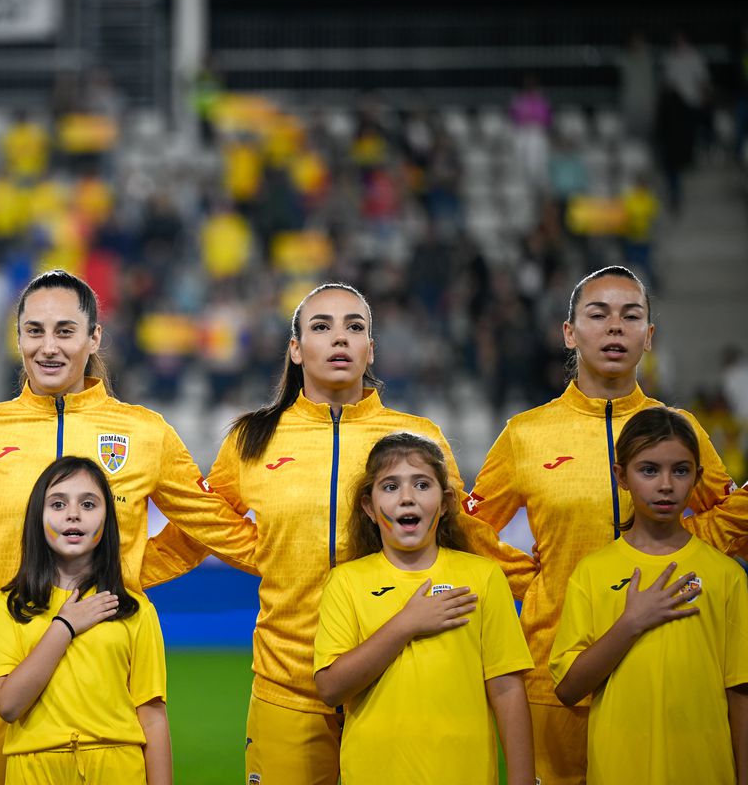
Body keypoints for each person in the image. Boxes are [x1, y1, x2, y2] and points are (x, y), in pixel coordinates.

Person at [0, 269, 257, 784]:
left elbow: (211, 527)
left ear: (94, 338)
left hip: (107, 693)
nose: (49, 347)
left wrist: (129, 571)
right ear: (17, 337)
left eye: (65, 331)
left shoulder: (144, 433)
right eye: (35, 331)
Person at [204, 282, 522, 784]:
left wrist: (541, 583)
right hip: (289, 685)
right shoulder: (252, 439)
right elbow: (205, 518)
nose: (339, 339)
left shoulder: (417, 438)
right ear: (295, 348)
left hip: (400, 680)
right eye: (321, 327)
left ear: (371, 348)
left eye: (355, 328)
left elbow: (466, 534)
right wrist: (267, 552)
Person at [464, 265, 748, 785]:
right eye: (598, 314)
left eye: (630, 315)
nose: (615, 327)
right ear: (570, 333)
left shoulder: (679, 428)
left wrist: (686, 549)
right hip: (558, 671)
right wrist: (535, 581)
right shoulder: (526, 434)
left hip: (669, 661)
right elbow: (468, 522)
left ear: (649, 336)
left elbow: (731, 510)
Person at [313, 433, 534, 785]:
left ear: (445, 502)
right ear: (369, 507)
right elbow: (331, 688)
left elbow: (507, 689)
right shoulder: (346, 581)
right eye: (389, 487)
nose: (406, 498)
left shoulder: (483, 576)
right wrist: (406, 624)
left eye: (421, 484)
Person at [550, 408, 748, 784]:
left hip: (705, 771)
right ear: (621, 476)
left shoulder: (726, 575)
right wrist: (631, 623)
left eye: (680, 470)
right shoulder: (593, 573)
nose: (666, 485)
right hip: (619, 770)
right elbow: (569, 689)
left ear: (697, 478)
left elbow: (741, 693)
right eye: (649, 470)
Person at [0, 457, 170, 784]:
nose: (73, 513)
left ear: (107, 519)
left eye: (88, 504)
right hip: (34, 770)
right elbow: (9, 705)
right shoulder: (10, 605)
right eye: (58, 503)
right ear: (37, 519)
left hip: (118, 769)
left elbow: (152, 717)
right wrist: (64, 627)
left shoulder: (134, 609)